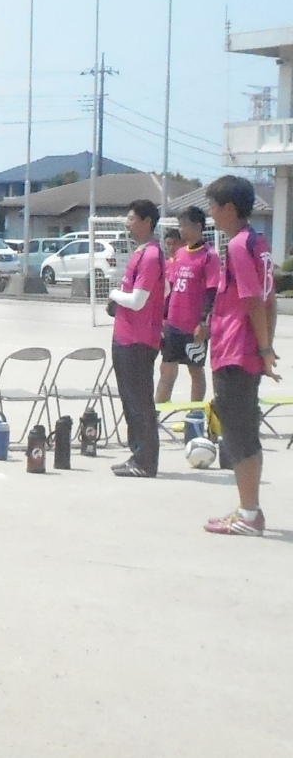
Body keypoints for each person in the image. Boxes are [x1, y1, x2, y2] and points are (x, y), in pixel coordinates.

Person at [204, 176, 278, 536]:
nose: (211, 214)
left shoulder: (237, 246)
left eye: (213, 206)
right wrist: (267, 347)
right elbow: (269, 299)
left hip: (235, 352)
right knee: (244, 430)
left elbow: (252, 300)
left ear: (229, 209)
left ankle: (249, 513)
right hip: (247, 351)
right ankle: (248, 508)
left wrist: (263, 348)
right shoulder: (258, 242)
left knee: (238, 435)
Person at [106, 199, 165, 478]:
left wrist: (113, 294)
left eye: (131, 218)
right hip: (125, 337)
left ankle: (146, 461)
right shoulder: (141, 253)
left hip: (138, 340)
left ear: (146, 221)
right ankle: (137, 454)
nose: (127, 223)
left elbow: (138, 301)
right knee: (130, 402)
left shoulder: (151, 255)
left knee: (140, 403)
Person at [155, 207, 219, 405]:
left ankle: (195, 413)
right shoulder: (180, 254)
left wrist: (204, 322)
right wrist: (163, 317)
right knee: (167, 369)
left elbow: (212, 291)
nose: (181, 229)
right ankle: (158, 412)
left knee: (195, 370)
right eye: (180, 225)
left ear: (198, 226)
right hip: (173, 324)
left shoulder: (209, 256)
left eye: (185, 225)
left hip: (194, 327)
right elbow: (172, 288)